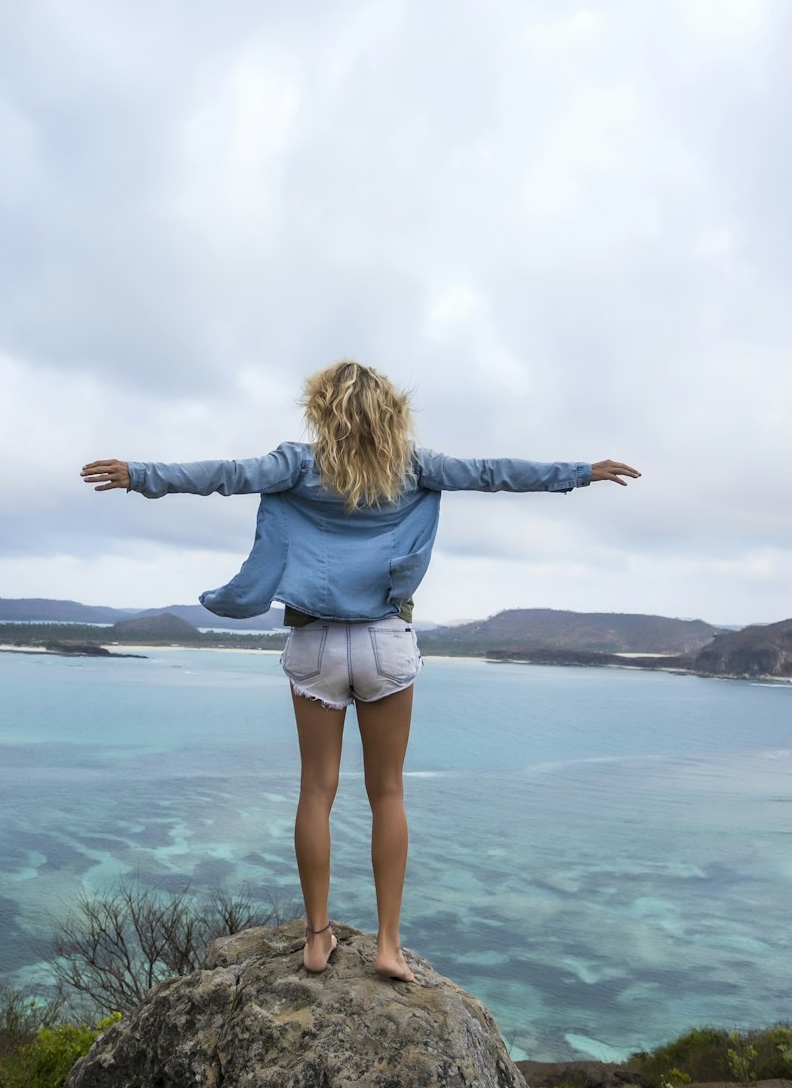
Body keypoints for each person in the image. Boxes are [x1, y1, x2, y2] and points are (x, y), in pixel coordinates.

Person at [81, 360, 638, 981]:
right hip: (386, 643)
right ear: (391, 412)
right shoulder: (416, 467)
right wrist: (582, 473)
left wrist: (140, 477)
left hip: (315, 642)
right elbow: (494, 474)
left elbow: (227, 477)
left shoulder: (298, 463)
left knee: (317, 792)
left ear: (324, 409)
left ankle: (317, 939)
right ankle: (389, 946)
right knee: (389, 794)